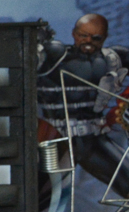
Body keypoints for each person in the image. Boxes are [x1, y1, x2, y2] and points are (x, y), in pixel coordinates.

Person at [37, 12, 129, 197]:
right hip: (57, 141)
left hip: (92, 140)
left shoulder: (111, 59)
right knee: (35, 198)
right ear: (74, 34)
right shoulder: (55, 55)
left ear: (104, 38)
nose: (89, 41)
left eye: (96, 38)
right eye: (83, 35)